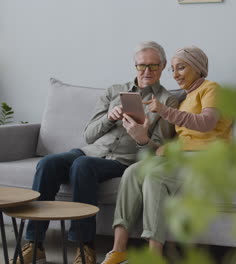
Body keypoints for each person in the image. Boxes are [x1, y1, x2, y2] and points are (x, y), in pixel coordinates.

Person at [12, 41, 178, 264]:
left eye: (153, 66)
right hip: (89, 151)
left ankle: (84, 246)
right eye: (141, 66)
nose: (147, 71)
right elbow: (89, 134)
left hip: (123, 161)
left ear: (163, 65)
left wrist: (141, 137)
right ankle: (34, 243)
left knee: (84, 166)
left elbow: (158, 152)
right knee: (47, 164)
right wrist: (109, 118)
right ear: (135, 66)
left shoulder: (168, 102)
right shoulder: (113, 92)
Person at [101, 46, 232, 264]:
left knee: (155, 177)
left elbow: (207, 123)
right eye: (172, 69)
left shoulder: (211, 89)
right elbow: (182, 142)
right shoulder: (184, 99)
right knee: (133, 171)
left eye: (181, 68)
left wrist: (163, 110)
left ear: (198, 68)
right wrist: (145, 139)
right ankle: (118, 249)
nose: (175, 75)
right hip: (182, 157)